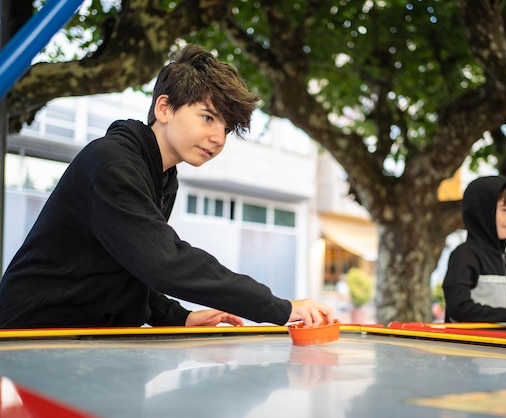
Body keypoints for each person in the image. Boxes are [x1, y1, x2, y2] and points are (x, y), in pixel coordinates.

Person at [0, 44, 333, 329]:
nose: (218, 138)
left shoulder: (162, 175)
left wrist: (178, 317)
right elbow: (165, 261)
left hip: (86, 344)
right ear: (164, 108)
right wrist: (281, 307)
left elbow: (131, 263)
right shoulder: (112, 164)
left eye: (227, 128)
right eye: (208, 117)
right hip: (30, 337)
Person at [442, 175, 506, 324]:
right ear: (483, 211)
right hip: (468, 347)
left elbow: (500, 316)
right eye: (505, 209)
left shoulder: (505, 259)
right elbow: (459, 309)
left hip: (499, 346)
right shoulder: (464, 255)